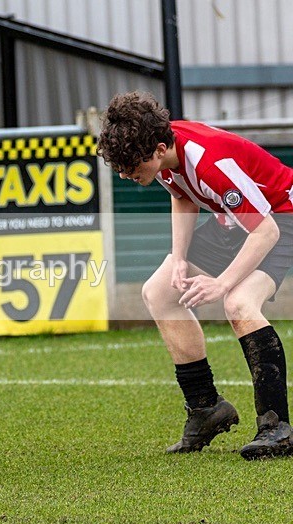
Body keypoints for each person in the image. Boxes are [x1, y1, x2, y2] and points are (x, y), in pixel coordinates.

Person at [97, 91, 293, 460]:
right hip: (234, 222)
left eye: (131, 167)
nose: (126, 174)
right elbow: (182, 196)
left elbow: (265, 230)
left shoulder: (210, 162)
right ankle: (206, 408)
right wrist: (181, 258)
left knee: (238, 302)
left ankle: (276, 428)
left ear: (157, 149)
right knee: (159, 291)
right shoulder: (164, 152)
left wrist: (221, 283)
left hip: (282, 215)